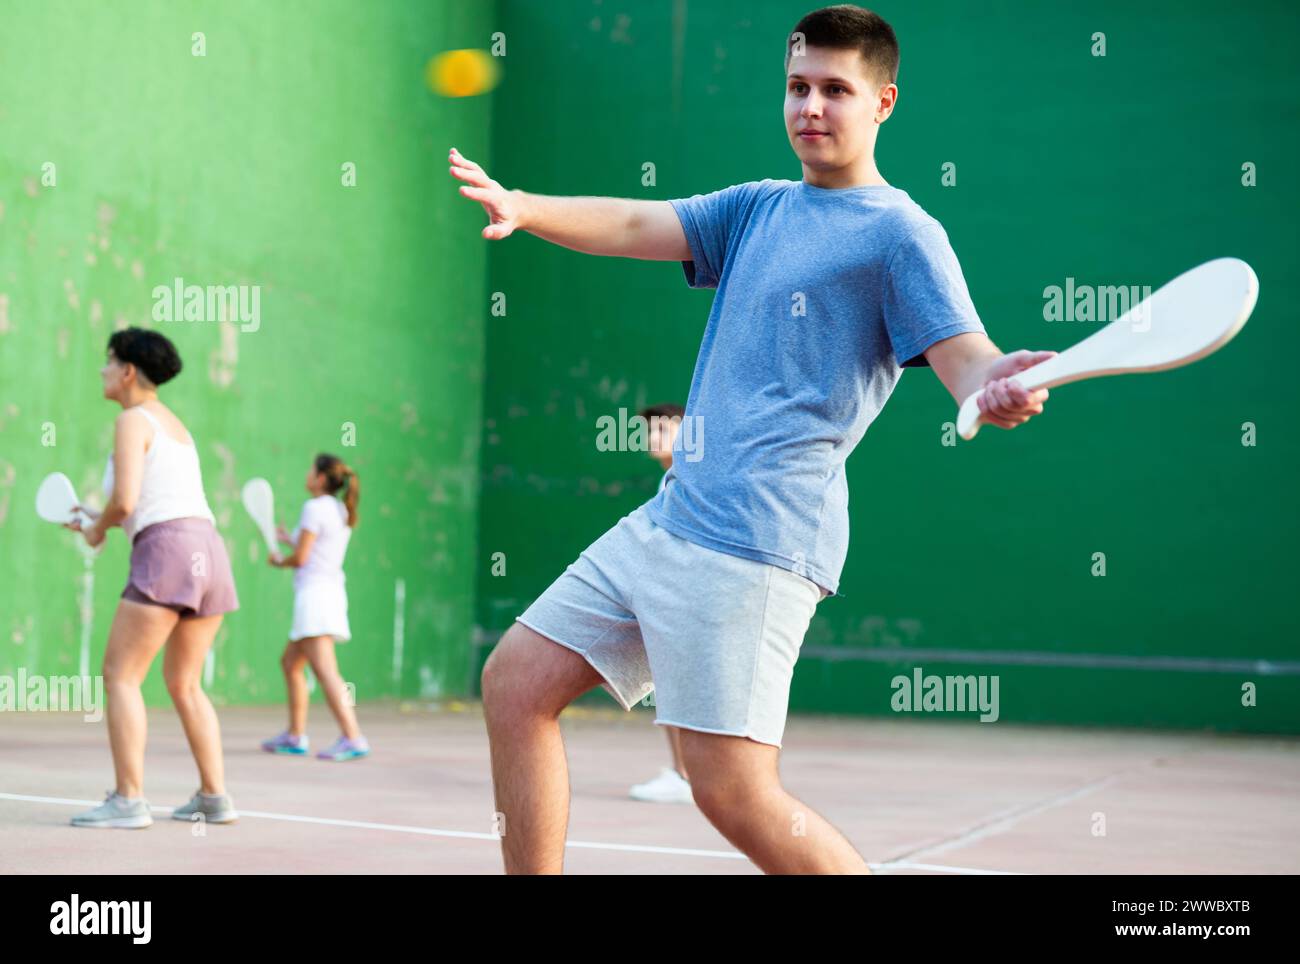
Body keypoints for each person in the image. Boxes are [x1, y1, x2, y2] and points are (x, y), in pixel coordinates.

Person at [453, 4, 1053, 874]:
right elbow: (631, 225)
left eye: (836, 90)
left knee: (730, 789)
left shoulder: (903, 236)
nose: (811, 106)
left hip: (758, 544)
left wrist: (997, 383)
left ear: (884, 101)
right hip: (671, 519)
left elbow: (966, 360)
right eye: (798, 86)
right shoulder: (757, 210)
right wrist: (524, 204)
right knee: (515, 683)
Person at [69, 327, 240, 829]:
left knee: (120, 675)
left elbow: (126, 503)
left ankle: (128, 800)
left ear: (126, 371)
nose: (102, 371)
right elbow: (141, 504)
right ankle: (214, 798)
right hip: (207, 551)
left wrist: (97, 529)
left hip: (166, 551)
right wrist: (93, 518)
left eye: (108, 362)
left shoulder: (130, 421)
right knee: (185, 682)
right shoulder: (174, 425)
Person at [260, 455, 370, 762]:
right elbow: (316, 547)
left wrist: (280, 559)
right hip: (329, 593)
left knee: (326, 671)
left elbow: (302, 558)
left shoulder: (314, 508)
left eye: (311, 470)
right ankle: (295, 735)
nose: (307, 474)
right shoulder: (339, 509)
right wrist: (287, 538)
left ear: (321, 478)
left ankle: (352, 737)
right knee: (290, 663)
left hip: (316, 597)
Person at [627, 404, 694, 804]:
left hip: (689, 599)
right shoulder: (670, 478)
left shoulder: (689, 477)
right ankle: (684, 774)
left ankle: (688, 777)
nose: (654, 438)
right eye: (650, 432)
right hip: (673, 598)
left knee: (679, 688)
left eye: (664, 430)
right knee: (670, 687)